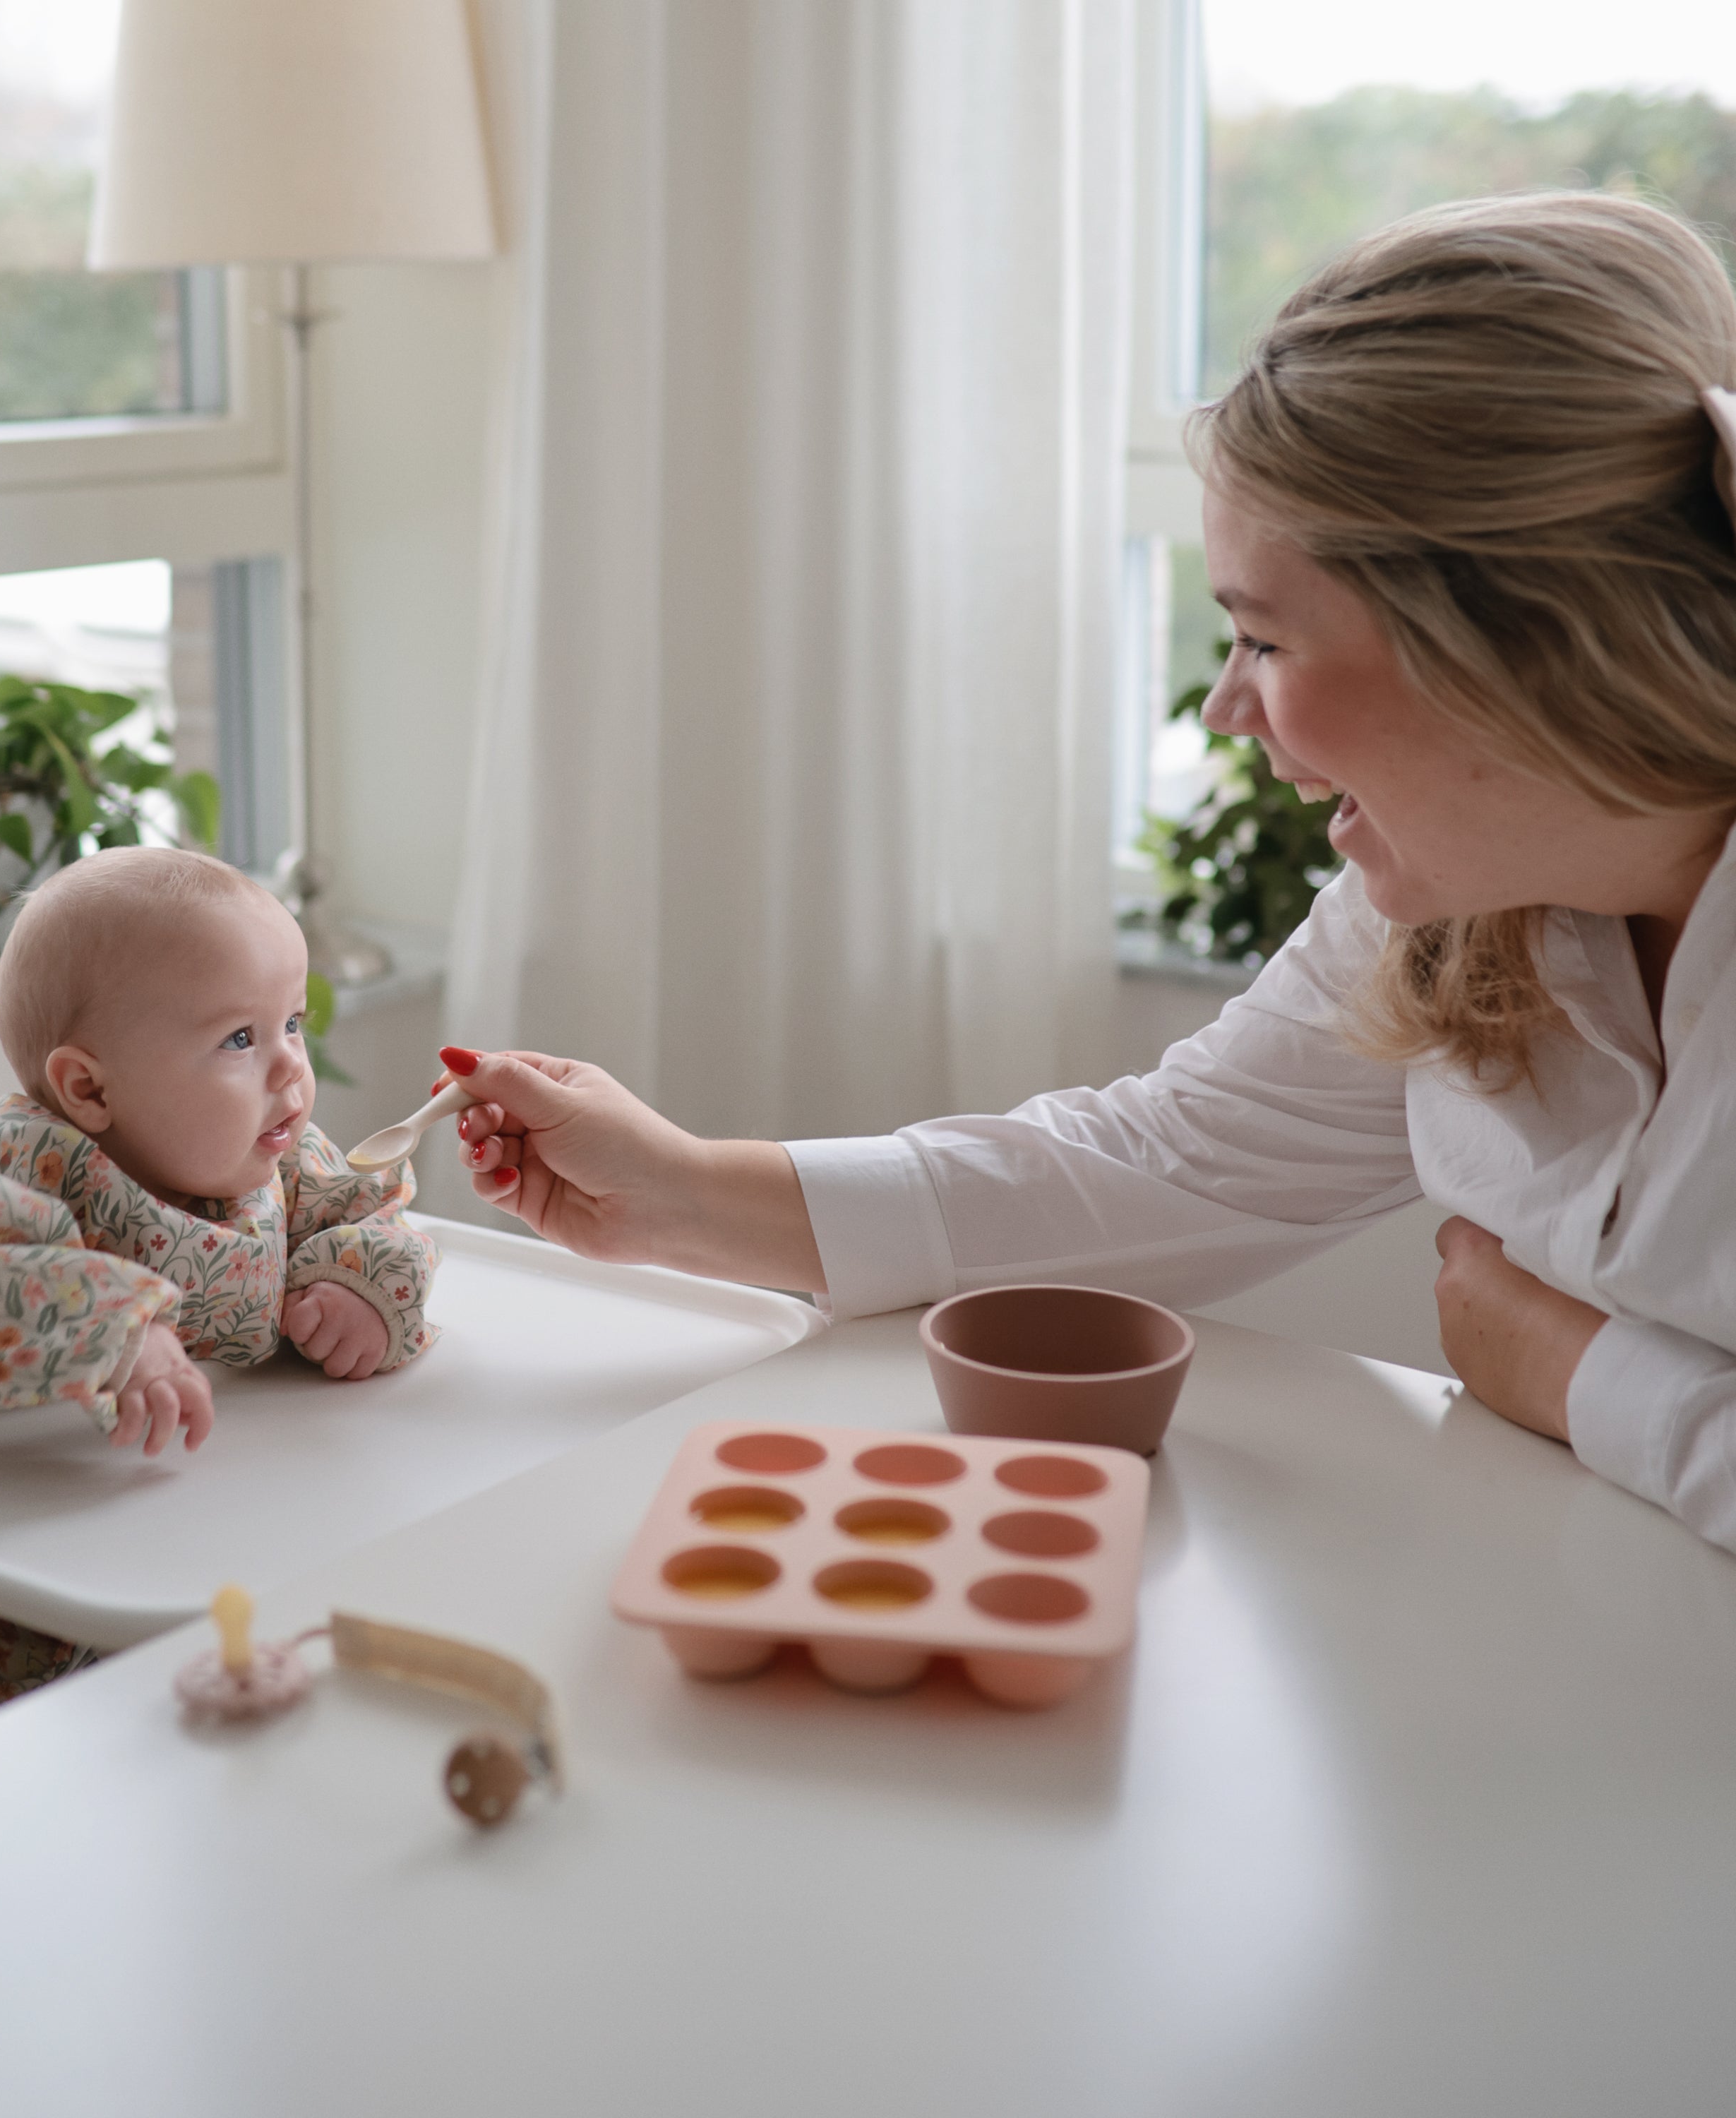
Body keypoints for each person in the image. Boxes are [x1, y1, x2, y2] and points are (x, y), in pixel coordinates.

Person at [439, 191, 1736, 1557]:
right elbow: (1164, 1167)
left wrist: (1588, 1378)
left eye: (1267, 642)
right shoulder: (1451, 921)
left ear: (1513, 648)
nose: (1228, 707)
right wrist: (686, 1188)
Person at [0, 846, 438, 1736]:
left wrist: (363, 1286)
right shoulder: (25, 1163)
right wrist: (115, 1328)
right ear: (88, 1088)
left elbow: (372, 1211)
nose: (291, 1069)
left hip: (194, 1519)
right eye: (239, 1039)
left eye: (291, 1023)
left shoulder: (276, 1157)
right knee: (120, 1728)